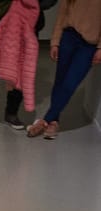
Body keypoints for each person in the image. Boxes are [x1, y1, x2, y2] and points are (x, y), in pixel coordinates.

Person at [0, 0, 50, 135]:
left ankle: (11, 113)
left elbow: (50, 2)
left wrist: (32, 3)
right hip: (5, 22)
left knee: (21, 70)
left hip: (28, 23)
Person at [25, 0, 101, 140]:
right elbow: (62, 14)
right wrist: (55, 42)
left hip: (89, 44)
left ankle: (45, 120)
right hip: (68, 36)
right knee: (60, 81)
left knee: (70, 84)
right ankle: (54, 122)